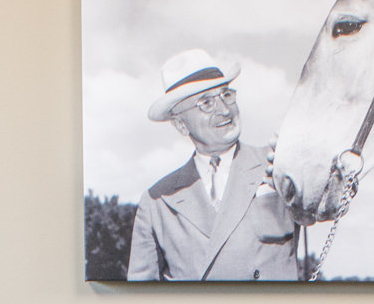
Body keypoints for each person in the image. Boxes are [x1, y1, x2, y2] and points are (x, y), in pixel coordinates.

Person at [126, 50, 299, 281]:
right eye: (206, 102)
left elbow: (329, 197)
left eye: (226, 95)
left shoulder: (276, 162)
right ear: (181, 124)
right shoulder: (156, 202)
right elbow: (139, 302)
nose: (225, 109)